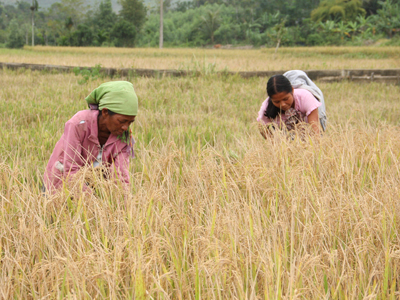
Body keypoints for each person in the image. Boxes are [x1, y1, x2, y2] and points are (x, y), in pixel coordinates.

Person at [43, 81, 138, 195]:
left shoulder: (124, 137)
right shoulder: (78, 124)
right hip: (60, 186)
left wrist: (123, 205)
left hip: (95, 188)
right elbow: (71, 170)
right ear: (105, 112)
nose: (125, 127)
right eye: (122, 121)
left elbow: (121, 176)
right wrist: (91, 202)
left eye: (130, 122)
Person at [257, 70, 327, 138]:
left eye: (285, 99)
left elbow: (316, 134)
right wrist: (275, 143)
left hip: (307, 128)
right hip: (286, 134)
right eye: (277, 102)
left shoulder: (306, 98)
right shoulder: (266, 107)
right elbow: (262, 127)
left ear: (292, 90)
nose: (283, 104)